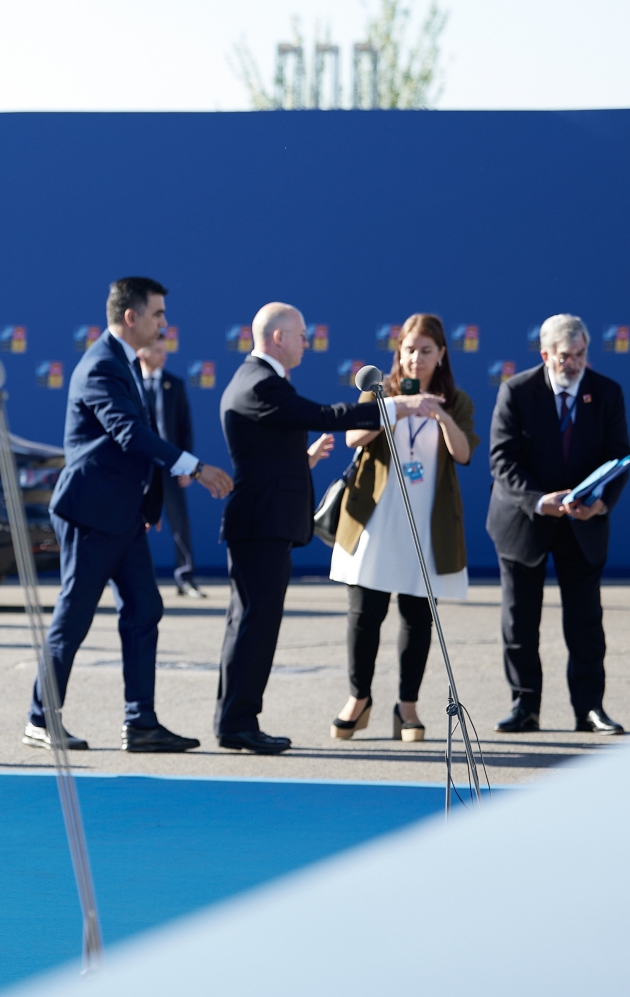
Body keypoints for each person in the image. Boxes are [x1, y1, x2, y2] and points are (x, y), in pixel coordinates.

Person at [217, 302, 441, 754]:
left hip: (260, 523)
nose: (308, 342)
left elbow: (265, 453)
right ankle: (238, 722)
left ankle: (237, 720)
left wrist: (301, 460)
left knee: (250, 624)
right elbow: (323, 416)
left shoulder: (257, 380)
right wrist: (396, 406)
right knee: (254, 627)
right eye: (302, 334)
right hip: (260, 526)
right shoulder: (261, 382)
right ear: (278, 337)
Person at [30, 279, 234, 755]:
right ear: (131, 317)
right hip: (90, 515)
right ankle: (40, 718)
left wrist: (148, 504)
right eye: (158, 314)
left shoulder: (123, 361)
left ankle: (141, 722)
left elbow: (132, 441)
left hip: (124, 516)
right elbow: (128, 433)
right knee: (73, 618)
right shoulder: (101, 365)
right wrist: (194, 467)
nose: (164, 323)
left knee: (144, 609)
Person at [328, 315, 479, 742]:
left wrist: (440, 414)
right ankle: (359, 698)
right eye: (409, 349)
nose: (416, 358)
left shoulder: (457, 400)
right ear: (399, 351)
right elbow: (353, 437)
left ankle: (407, 707)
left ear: (442, 354)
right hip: (376, 521)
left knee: (417, 619)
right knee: (364, 616)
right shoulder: (379, 391)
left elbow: (464, 454)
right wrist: (400, 406)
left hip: (426, 526)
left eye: (426, 351)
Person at [487, 314, 629, 735]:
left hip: (581, 522)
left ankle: (590, 709)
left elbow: (618, 456)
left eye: (581, 354)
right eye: (566, 356)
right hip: (524, 519)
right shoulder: (516, 391)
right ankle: (524, 706)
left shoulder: (606, 392)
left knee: (585, 621)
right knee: (520, 621)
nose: (575, 363)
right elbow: (502, 460)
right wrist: (538, 501)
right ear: (546, 354)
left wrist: (600, 503)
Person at [136, 341, 205, 597]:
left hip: (172, 467)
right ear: (142, 353)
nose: (163, 356)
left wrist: (187, 466)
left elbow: (185, 429)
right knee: (134, 523)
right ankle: (133, 580)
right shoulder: (131, 383)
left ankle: (185, 578)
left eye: (164, 351)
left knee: (179, 522)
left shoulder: (174, 384)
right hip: (141, 468)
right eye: (157, 351)